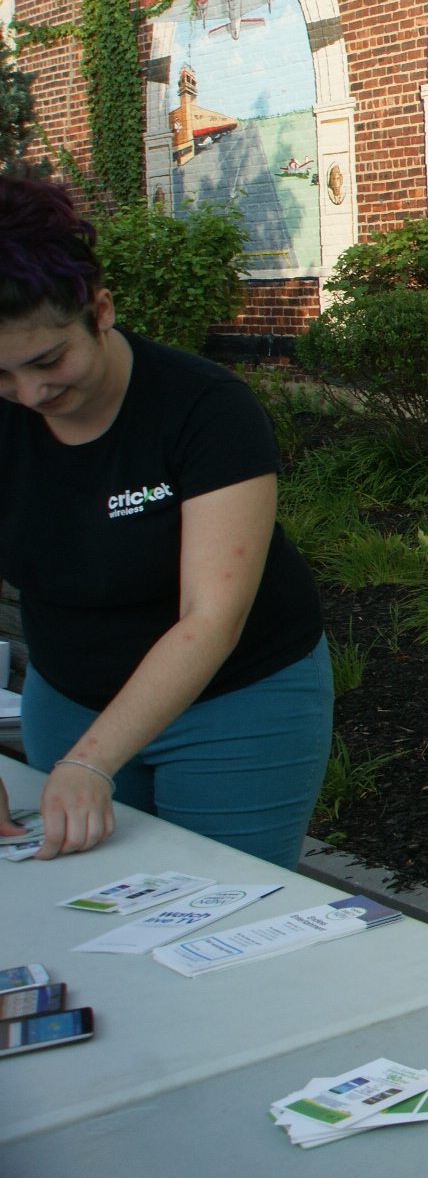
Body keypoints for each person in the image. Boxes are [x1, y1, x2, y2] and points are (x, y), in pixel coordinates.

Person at [0, 177, 331, 865]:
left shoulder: (204, 410)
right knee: (80, 908)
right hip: (68, 697)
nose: (29, 393)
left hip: (236, 703)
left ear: (100, 311)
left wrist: (90, 764)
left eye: (48, 360)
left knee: (222, 908)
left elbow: (210, 617)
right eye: (1, 377)